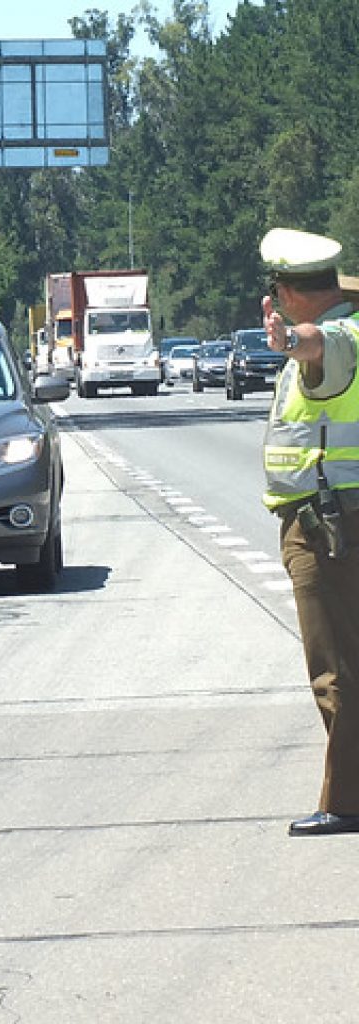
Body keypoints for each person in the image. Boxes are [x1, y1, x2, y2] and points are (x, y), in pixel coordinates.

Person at [260, 227, 359, 836]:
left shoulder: (338, 338)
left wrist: (290, 340)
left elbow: (320, 348)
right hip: (337, 514)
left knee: (335, 666)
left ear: (292, 293)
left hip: (327, 524)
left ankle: (346, 799)